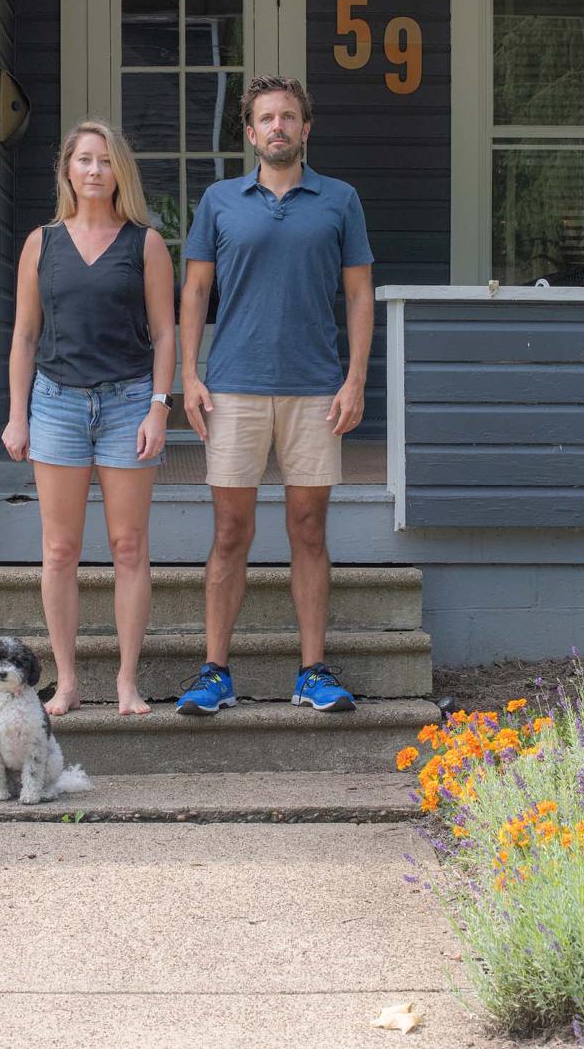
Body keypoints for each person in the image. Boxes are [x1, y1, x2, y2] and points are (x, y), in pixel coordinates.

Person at [176, 75, 374, 715]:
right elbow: (195, 293)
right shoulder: (219, 200)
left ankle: (313, 671)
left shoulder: (339, 200)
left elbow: (359, 295)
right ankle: (215, 673)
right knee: (230, 530)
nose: (278, 127)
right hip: (233, 386)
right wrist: (189, 374)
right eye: (266, 118)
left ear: (305, 128)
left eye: (289, 117)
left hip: (316, 389)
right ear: (251, 132)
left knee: (309, 529)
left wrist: (355, 379)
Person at [1, 120, 176, 716]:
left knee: (129, 547)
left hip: (129, 403)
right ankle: (69, 680)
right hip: (56, 405)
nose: (95, 170)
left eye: (104, 160)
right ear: (68, 171)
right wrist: (16, 415)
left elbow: (164, 332)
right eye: (83, 160)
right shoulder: (41, 244)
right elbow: (25, 334)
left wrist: (159, 405)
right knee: (59, 550)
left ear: (118, 170)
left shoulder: (144, 243)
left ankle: (127, 681)